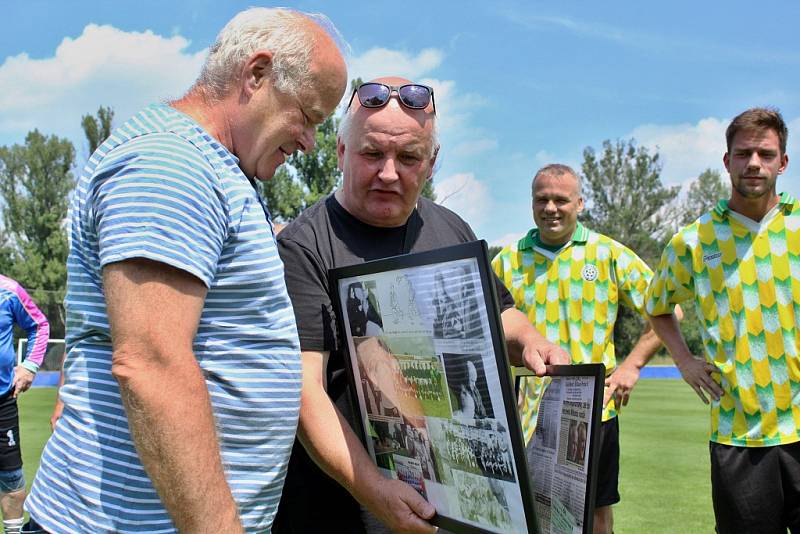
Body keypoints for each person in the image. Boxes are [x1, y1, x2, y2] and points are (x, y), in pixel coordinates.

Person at [24, 8, 347, 533]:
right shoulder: (172, 164)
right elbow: (152, 364)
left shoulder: (212, 167)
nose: (310, 141)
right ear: (256, 74)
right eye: (307, 116)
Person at [273, 77, 570, 533]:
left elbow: (498, 316)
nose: (389, 173)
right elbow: (303, 390)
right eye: (372, 153)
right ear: (340, 153)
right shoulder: (304, 245)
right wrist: (375, 489)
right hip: (337, 514)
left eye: (408, 157)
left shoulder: (452, 230)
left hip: (450, 512)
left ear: (431, 164)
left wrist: (531, 341)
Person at [491, 163, 673, 534]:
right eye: (542, 199)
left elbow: (667, 308)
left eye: (561, 199)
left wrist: (631, 366)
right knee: (524, 515)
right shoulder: (507, 261)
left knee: (596, 516)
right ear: (531, 203)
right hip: (526, 415)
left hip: (592, 412)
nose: (551, 208)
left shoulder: (608, 254)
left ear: (580, 203)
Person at [646, 107, 797, 534]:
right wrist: (684, 360)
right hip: (738, 431)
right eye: (743, 152)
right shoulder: (694, 240)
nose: (754, 163)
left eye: (766, 154)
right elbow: (657, 305)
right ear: (726, 160)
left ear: (783, 162)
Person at [0, 275, 49, 534]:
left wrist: (29, 366)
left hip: (2, 402)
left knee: (11, 477)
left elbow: (39, 325)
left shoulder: (8, 291)